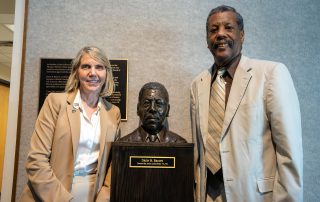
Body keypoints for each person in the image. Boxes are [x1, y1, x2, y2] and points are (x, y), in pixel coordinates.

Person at [190, 5, 303, 202]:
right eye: (213, 30)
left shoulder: (271, 75)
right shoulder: (197, 84)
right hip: (208, 196)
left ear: (242, 35)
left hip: (254, 196)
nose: (220, 34)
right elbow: (199, 152)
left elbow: (289, 153)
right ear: (207, 41)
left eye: (228, 28)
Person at [19, 46, 121, 202]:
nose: (92, 73)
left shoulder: (113, 112)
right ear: (76, 72)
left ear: (106, 73)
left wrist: (104, 197)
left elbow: (114, 164)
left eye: (99, 67)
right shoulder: (55, 102)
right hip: (51, 195)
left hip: (93, 195)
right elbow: (36, 160)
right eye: (86, 66)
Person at [119, 82, 186, 143]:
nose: (152, 108)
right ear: (138, 109)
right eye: (147, 103)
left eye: (159, 103)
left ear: (167, 110)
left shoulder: (179, 143)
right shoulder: (124, 143)